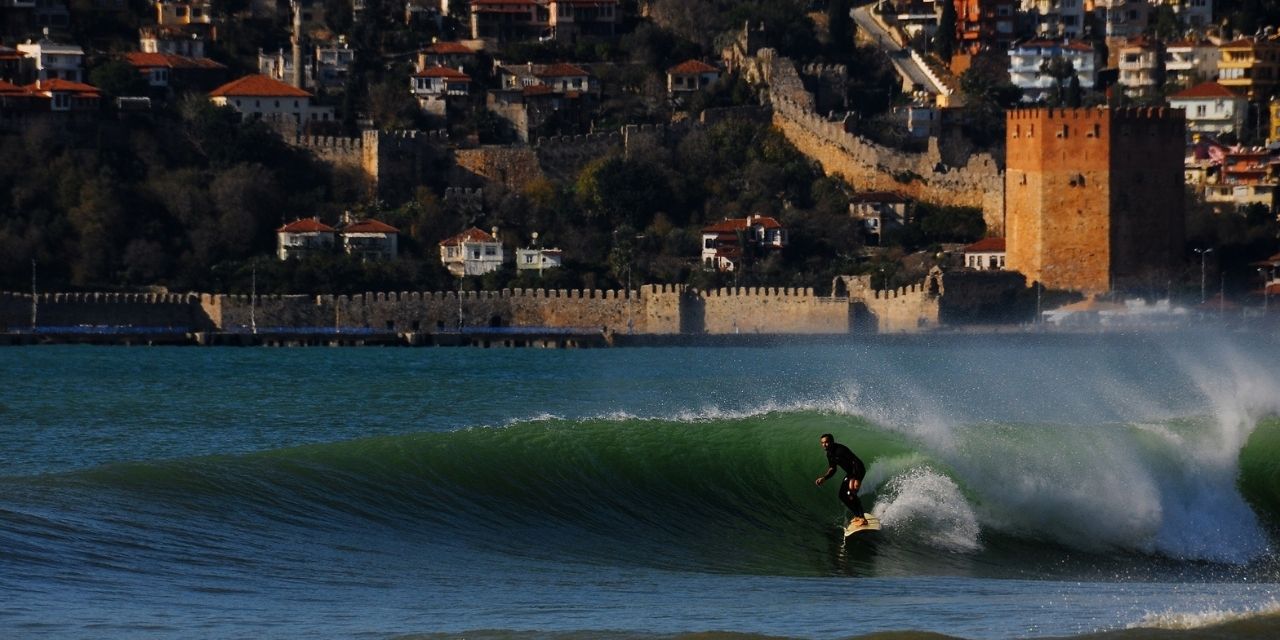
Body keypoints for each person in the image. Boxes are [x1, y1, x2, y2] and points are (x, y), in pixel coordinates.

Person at [814, 433, 868, 527]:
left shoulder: (840, 450)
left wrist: (856, 478)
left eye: (826, 442)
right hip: (851, 473)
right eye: (822, 443)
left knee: (851, 492)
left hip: (858, 469)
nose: (824, 444)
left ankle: (863, 518)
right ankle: (857, 516)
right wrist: (824, 478)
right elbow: (833, 468)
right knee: (842, 495)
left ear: (832, 441)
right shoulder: (829, 454)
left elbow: (854, 461)